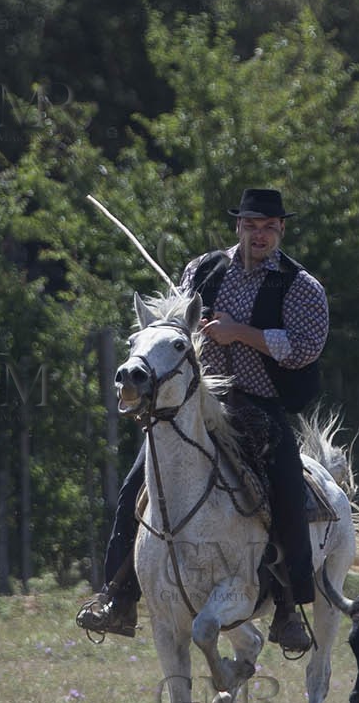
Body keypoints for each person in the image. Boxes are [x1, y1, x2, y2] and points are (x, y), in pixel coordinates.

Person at [77, 188, 329, 652]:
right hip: (193, 401)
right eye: (251, 225)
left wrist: (240, 333)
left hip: (259, 405)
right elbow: (175, 326)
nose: (259, 234)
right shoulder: (203, 269)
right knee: (134, 489)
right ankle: (119, 595)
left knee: (288, 491)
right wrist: (183, 322)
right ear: (239, 227)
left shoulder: (301, 286)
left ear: (281, 230)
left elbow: (304, 348)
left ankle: (289, 609)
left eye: (268, 227)